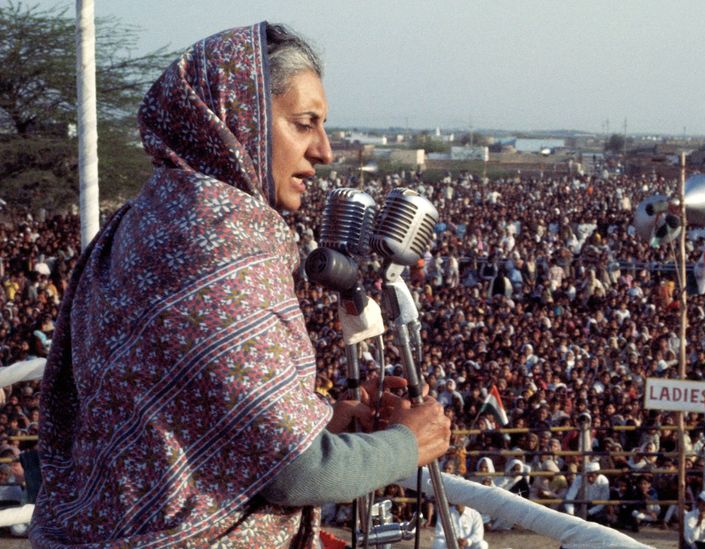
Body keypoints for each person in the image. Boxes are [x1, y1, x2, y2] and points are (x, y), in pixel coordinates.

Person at [31, 23, 450, 548]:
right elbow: (296, 474)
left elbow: (177, 416)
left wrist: (320, 419)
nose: (323, 151)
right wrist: (410, 444)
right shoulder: (222, 245)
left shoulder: (143, 221)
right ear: (239, 119)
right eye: (304, 124)